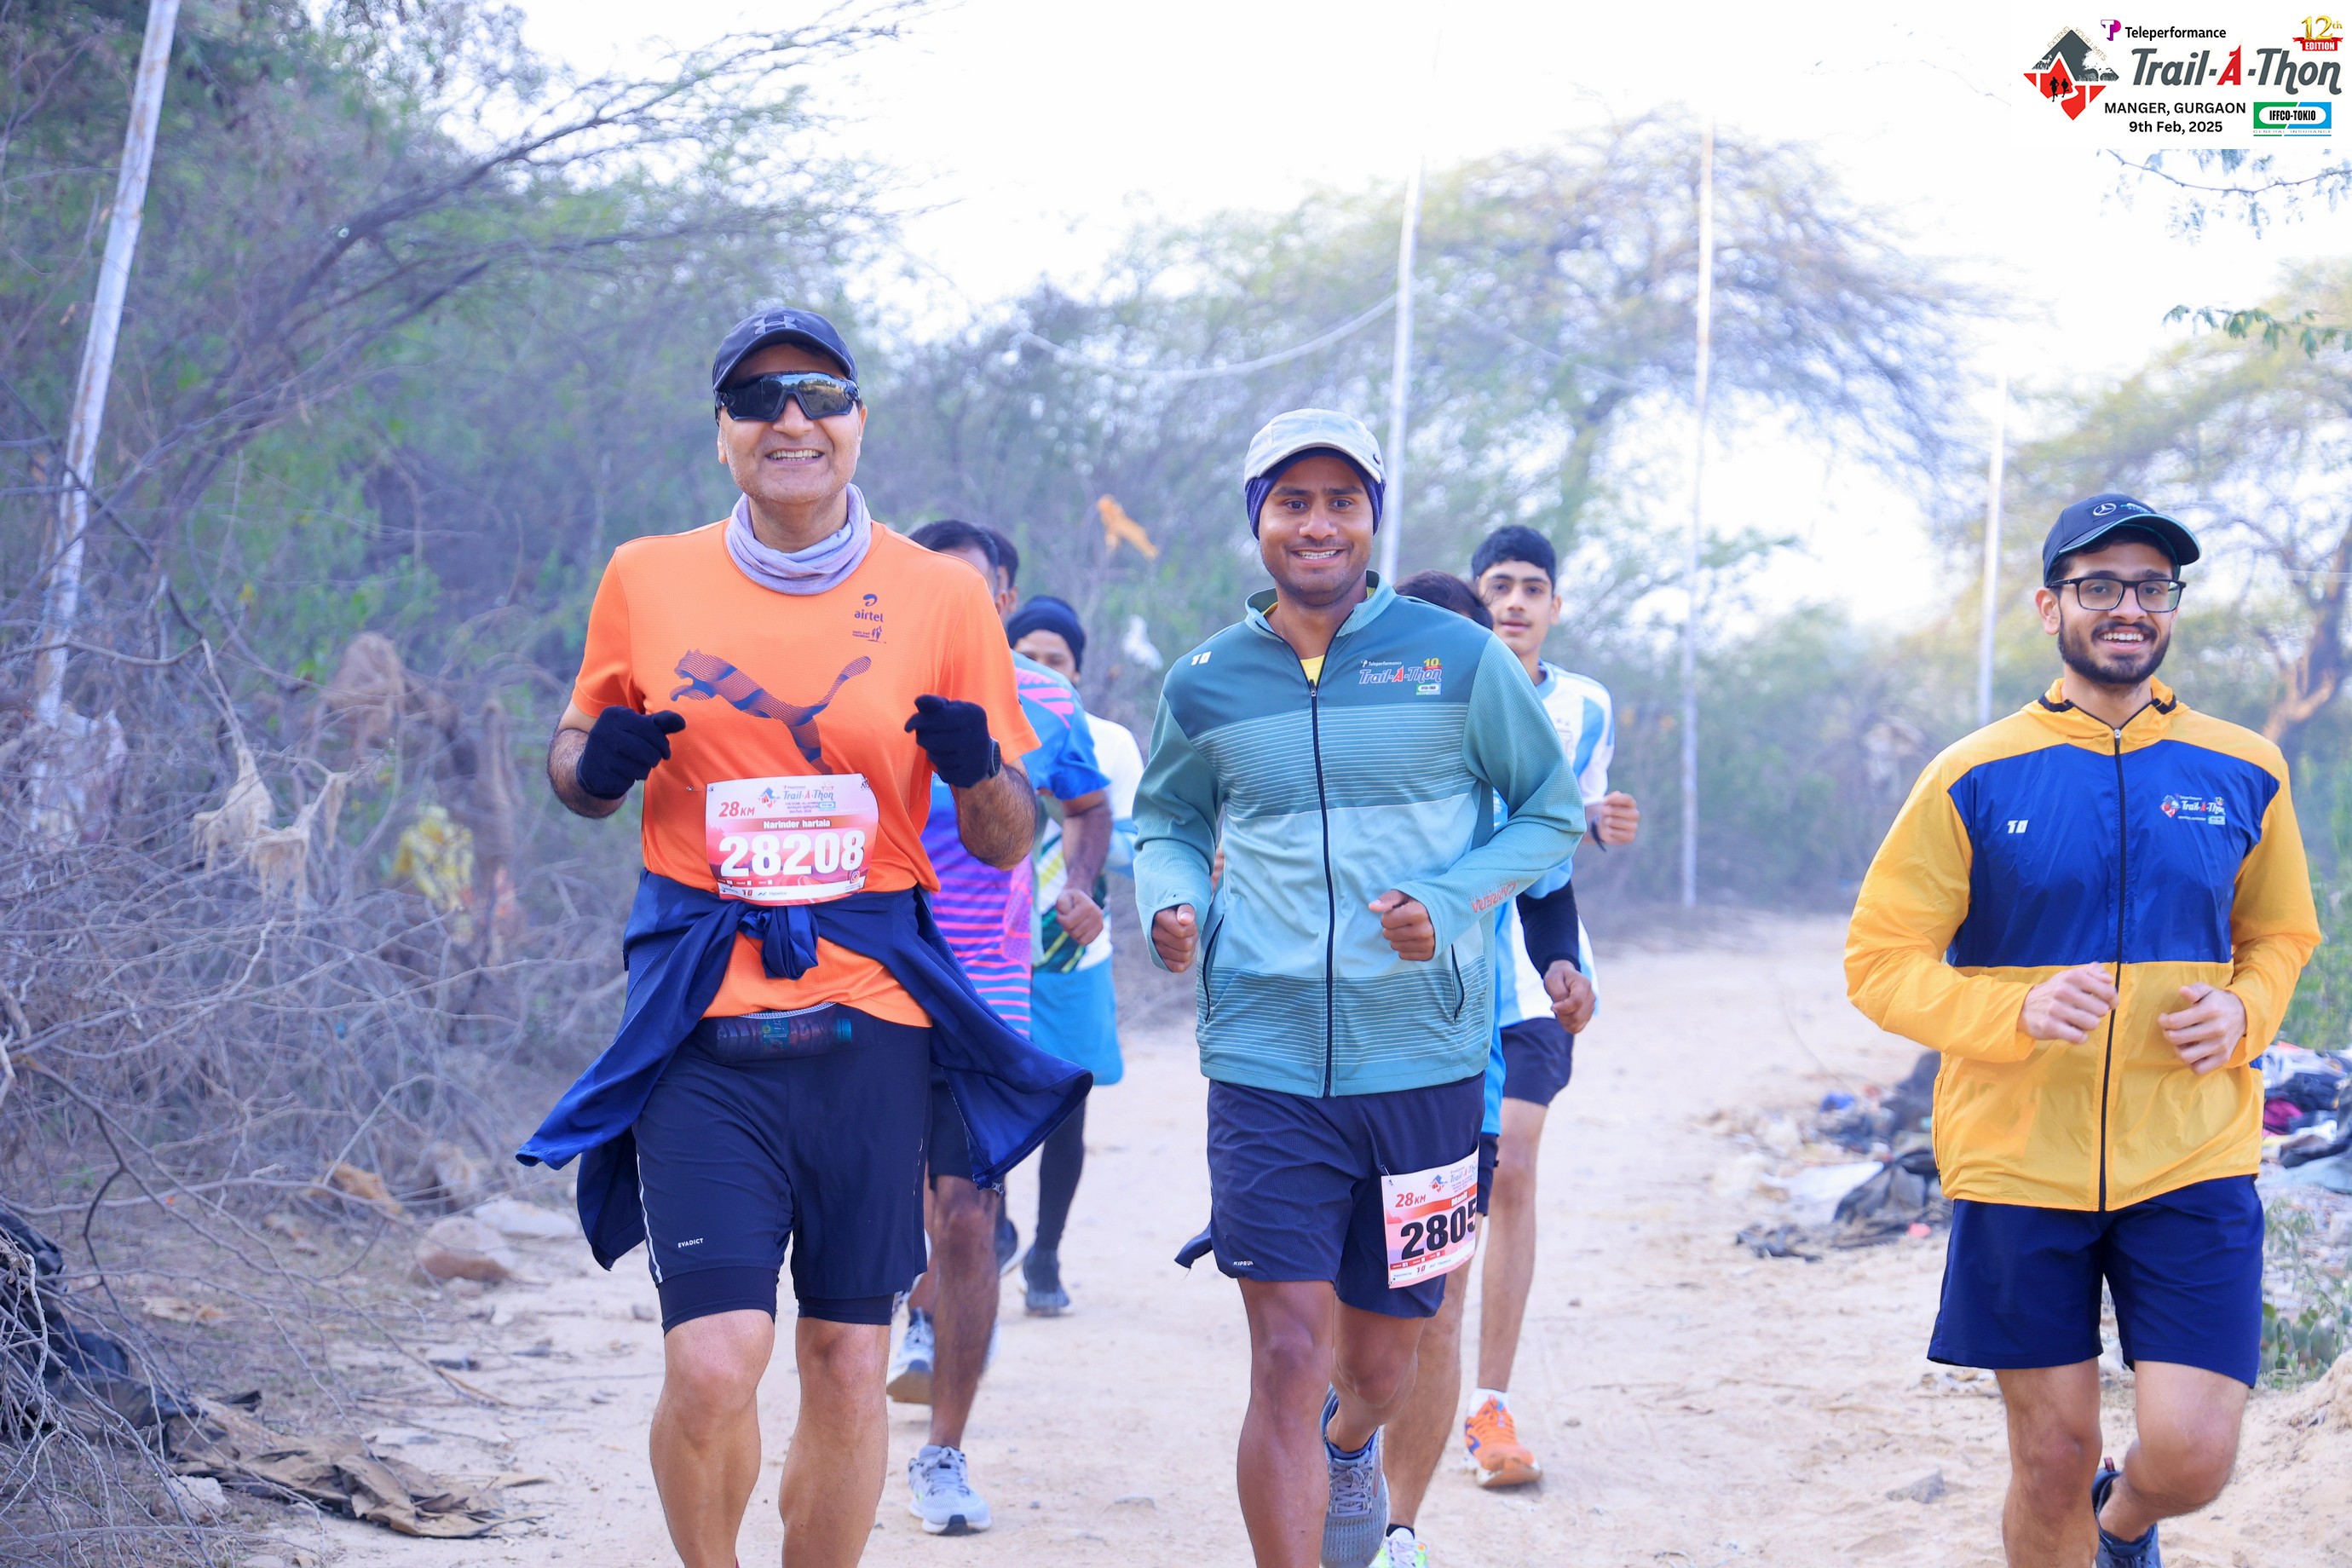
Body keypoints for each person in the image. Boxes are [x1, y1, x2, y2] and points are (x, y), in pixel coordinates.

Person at [516, 307, 1087, 1568]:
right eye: (757, 397)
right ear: (723, 431)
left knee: (844, 1358)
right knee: (716, 1361)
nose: (791, 419)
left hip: (869, 1018)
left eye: (820, 394)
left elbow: (1005, 838)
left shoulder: (942, 594)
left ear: (858, 423)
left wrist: (976, 767)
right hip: (702, 1009)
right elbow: (574, 757)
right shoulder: (646, 576)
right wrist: (594, 769)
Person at [1135, 410, 1584, 1568]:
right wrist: (1168, 901)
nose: (1318, 524)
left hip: (1423, 1063)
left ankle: (1352, 1450)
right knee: (1286, 1353)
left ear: (1373, 519)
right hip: (1263, 1063)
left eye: (1343, 501)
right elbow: (1169, 821)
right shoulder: (1206, 681)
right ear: (1259, 520)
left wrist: (1451, 897)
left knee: (1381, 1362)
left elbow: (1549, 811)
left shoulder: (1459, 659)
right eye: (1293, 502)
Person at [1846, 493, 2320, 1568]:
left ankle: (2125, 1522)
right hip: (2019, 1159)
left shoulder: (2245, 765)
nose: (2128, 608)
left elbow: (2282, 934)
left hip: (2191, 1152)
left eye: (2152, 587)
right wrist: (2011, 1010)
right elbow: (1879, 959)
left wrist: (2246, 1009)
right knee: (2052, 1456)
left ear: (2172, 607)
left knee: (2194, 1455)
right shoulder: (1971, 773)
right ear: (2048, 604)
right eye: (2099, 585)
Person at [884, 520, 1111, 1535]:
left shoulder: (1047, 698)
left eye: (973, 591)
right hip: (869, 975)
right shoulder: (860, 679)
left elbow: (1088, 806)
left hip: (986, 986)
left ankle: (944, 1448)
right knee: (888, 1207)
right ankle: (917, 1306)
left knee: (968, 1214)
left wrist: (1081, 883)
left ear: (1004, 603)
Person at [1400, 523, 1637, 1497]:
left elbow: (1558, 839)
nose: (1513, 602)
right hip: (1425, 990)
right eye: (1497, 585)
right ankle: (1395, 1385)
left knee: (1511, 1172)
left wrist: (1598, 829)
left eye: (1531, 587)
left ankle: (1487, 1399)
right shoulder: (1411, 702)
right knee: (1439, 1194)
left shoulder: (1583, 705)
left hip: (1531, 983)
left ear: (1554, 605)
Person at [1371, 572, 1598, 1568]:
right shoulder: (1325, 760)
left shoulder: (1512, 784)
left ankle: (1395, 1529)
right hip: (1316, 1073)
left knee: (1435, 1300)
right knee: (1334, 1315)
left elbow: (1549, 891)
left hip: (1461, 1068)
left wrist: (1560, 964)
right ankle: (1339, 1478)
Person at [1006, 593, 1147, 1314]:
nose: (1040, 669)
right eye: (1025, 656)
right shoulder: (983, 726)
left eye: (1054, 660)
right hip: (985, 950)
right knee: (976, 1103)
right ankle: (991, 1230)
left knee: (1066, 1110)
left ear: (1078, 671)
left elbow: (1136, 842)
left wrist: (1082, 845)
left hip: (1071, 954)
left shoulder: (1109, 744)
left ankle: (1046, 1254)